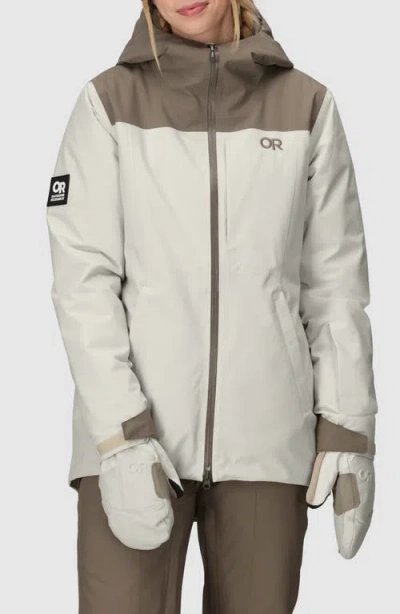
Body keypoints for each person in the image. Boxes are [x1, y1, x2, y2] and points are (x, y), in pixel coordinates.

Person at [46, 1, 378, 612]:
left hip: (267, 445)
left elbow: (335, 285)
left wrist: (349, 429)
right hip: (133, 448)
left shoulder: (307, 106)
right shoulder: (107, 103)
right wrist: (121, 437)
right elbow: (82, 283)